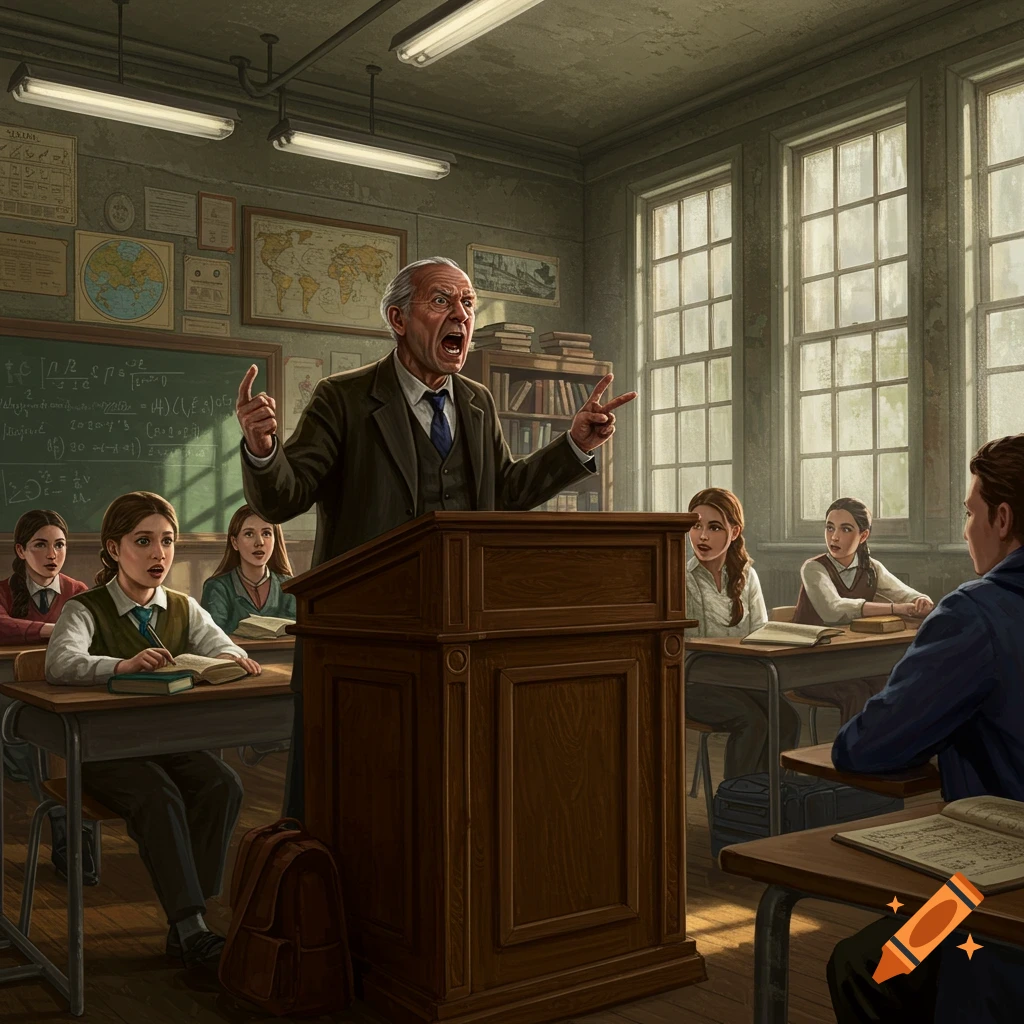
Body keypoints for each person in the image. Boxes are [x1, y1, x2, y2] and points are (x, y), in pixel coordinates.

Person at [237, 256, 637, 820]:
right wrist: (262, 449)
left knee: (440, 790)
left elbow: (506, 492)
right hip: (364, 635)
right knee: (348, 792)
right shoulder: (343, 398)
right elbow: (284, 497)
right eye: (442, 301)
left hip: (455, 630)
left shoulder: (476, 401)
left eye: (468, 303)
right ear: (399, 318)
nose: (461, 315)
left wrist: (573, 446)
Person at [826, 435, 1024, 1024]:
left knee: (868, 965)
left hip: (990, 889)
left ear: (1003, 518)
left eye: (969, 512)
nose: (966, 529)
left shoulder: (976, 613)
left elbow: (864, 748)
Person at [45, 491, 262, 969]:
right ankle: (191, 928)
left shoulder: (183, 607)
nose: (158, 554)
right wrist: (121, 665)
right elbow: (60, 663)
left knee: (221, 784)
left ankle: (189, 923)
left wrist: (232, 660)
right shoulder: (86, 608)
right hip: (104, 752)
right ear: (112, 548)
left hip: (167, 744)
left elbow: (223, 647)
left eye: (167, 542)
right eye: (143, 541)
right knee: (158, 795)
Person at [0, 509, 93, 883]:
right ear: (21, 550)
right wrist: (53, 630)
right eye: (41, 545)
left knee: (62, 738)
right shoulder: (4, 591)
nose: (52, 554)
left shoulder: (78, 592)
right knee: (27, 735)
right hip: (12, 693)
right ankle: (64, 827)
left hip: (62, 694)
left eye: (59, 545)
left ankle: (72, 833)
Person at [684, 488, 802, 778]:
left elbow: (760, 632)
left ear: (734, 532)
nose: (702, 537)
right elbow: (686, 645)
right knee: (753, 722)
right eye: (696, 525)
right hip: (692, 682)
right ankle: (737, 807)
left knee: (787, 719)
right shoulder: (680, 577)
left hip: (740, 678)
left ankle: (770, 802)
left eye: (714, 527)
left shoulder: (747, 576)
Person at [791, 497, 935, 722]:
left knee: (892, 684)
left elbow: (905, 593)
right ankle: (851, 755)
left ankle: (888, 753)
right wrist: (896, 608)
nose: (834, 537)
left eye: (845, 529)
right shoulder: (814, 568)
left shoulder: (871, 568)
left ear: (863, 535)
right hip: (809, 663)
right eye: (830, 528)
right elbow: (833, 610)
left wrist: (921, 600)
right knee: (855, 693)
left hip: (848, 660)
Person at [201, 504, 296, 635]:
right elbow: (213, 639)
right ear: (235, 542)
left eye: (266, 533)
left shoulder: (289, 587)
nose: (260, 542)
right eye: (249, 534)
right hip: (234, 655)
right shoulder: (217, 588)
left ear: (275, 539)